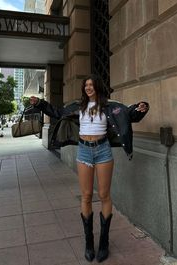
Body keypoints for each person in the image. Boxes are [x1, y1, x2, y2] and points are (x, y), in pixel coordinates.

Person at [30, 74, 149, 263]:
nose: (88, 88)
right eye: (86, 85)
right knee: (86, 196)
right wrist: (40, 104)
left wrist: (141, 109)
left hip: (103, 151)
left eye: (92, 85)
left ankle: (103, 242)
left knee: (104, 195)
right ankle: (89, 242)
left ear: (98, 87)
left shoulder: (111, 106)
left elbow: (129, 114)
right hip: (84, 152)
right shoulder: (78, 106)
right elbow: (56, 112)